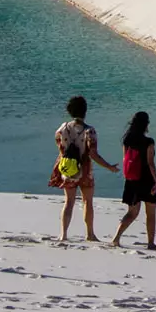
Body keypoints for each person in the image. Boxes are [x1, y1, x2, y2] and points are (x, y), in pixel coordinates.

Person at [49, 96, 118, 242]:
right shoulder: (89, 131)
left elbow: (60, 148)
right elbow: (93, 154)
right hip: (85, 169)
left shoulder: (63, 128)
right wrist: (109, 166)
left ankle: (63, 234)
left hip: (68, 168)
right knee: (87, 202)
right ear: (85, 111)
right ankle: (90, 234)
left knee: (69, 202)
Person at [111, 111, 156, 250]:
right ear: (145, 124)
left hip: (132, 179)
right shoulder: (149, 142)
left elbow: (125, 160)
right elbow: (150, 163)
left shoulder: (127, 140)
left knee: (132, 213)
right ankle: (151, 243)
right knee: (150, 213)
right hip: (147, 179)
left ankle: (116, 238)